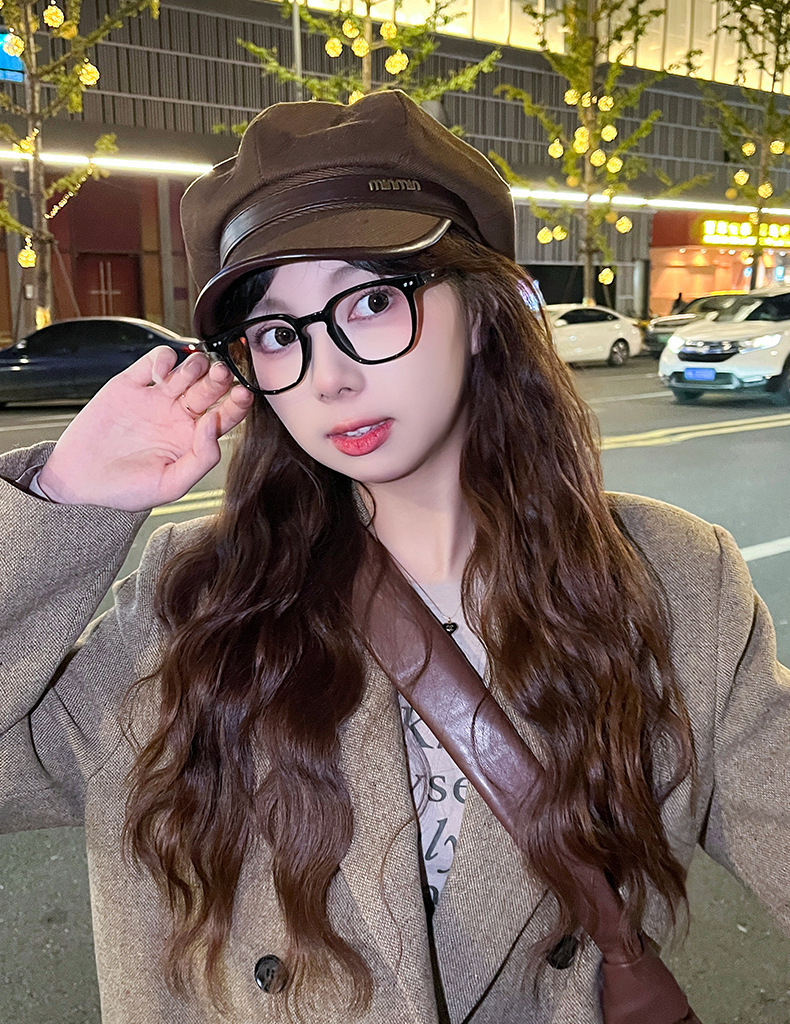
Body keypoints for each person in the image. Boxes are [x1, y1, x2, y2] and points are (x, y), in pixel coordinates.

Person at [1, 91, 789, 1024]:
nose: (329, 377)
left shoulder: (676, 583)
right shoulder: (196, 601)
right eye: (279, 333)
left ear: (483, 312)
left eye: (373, 301)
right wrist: (63, 499)